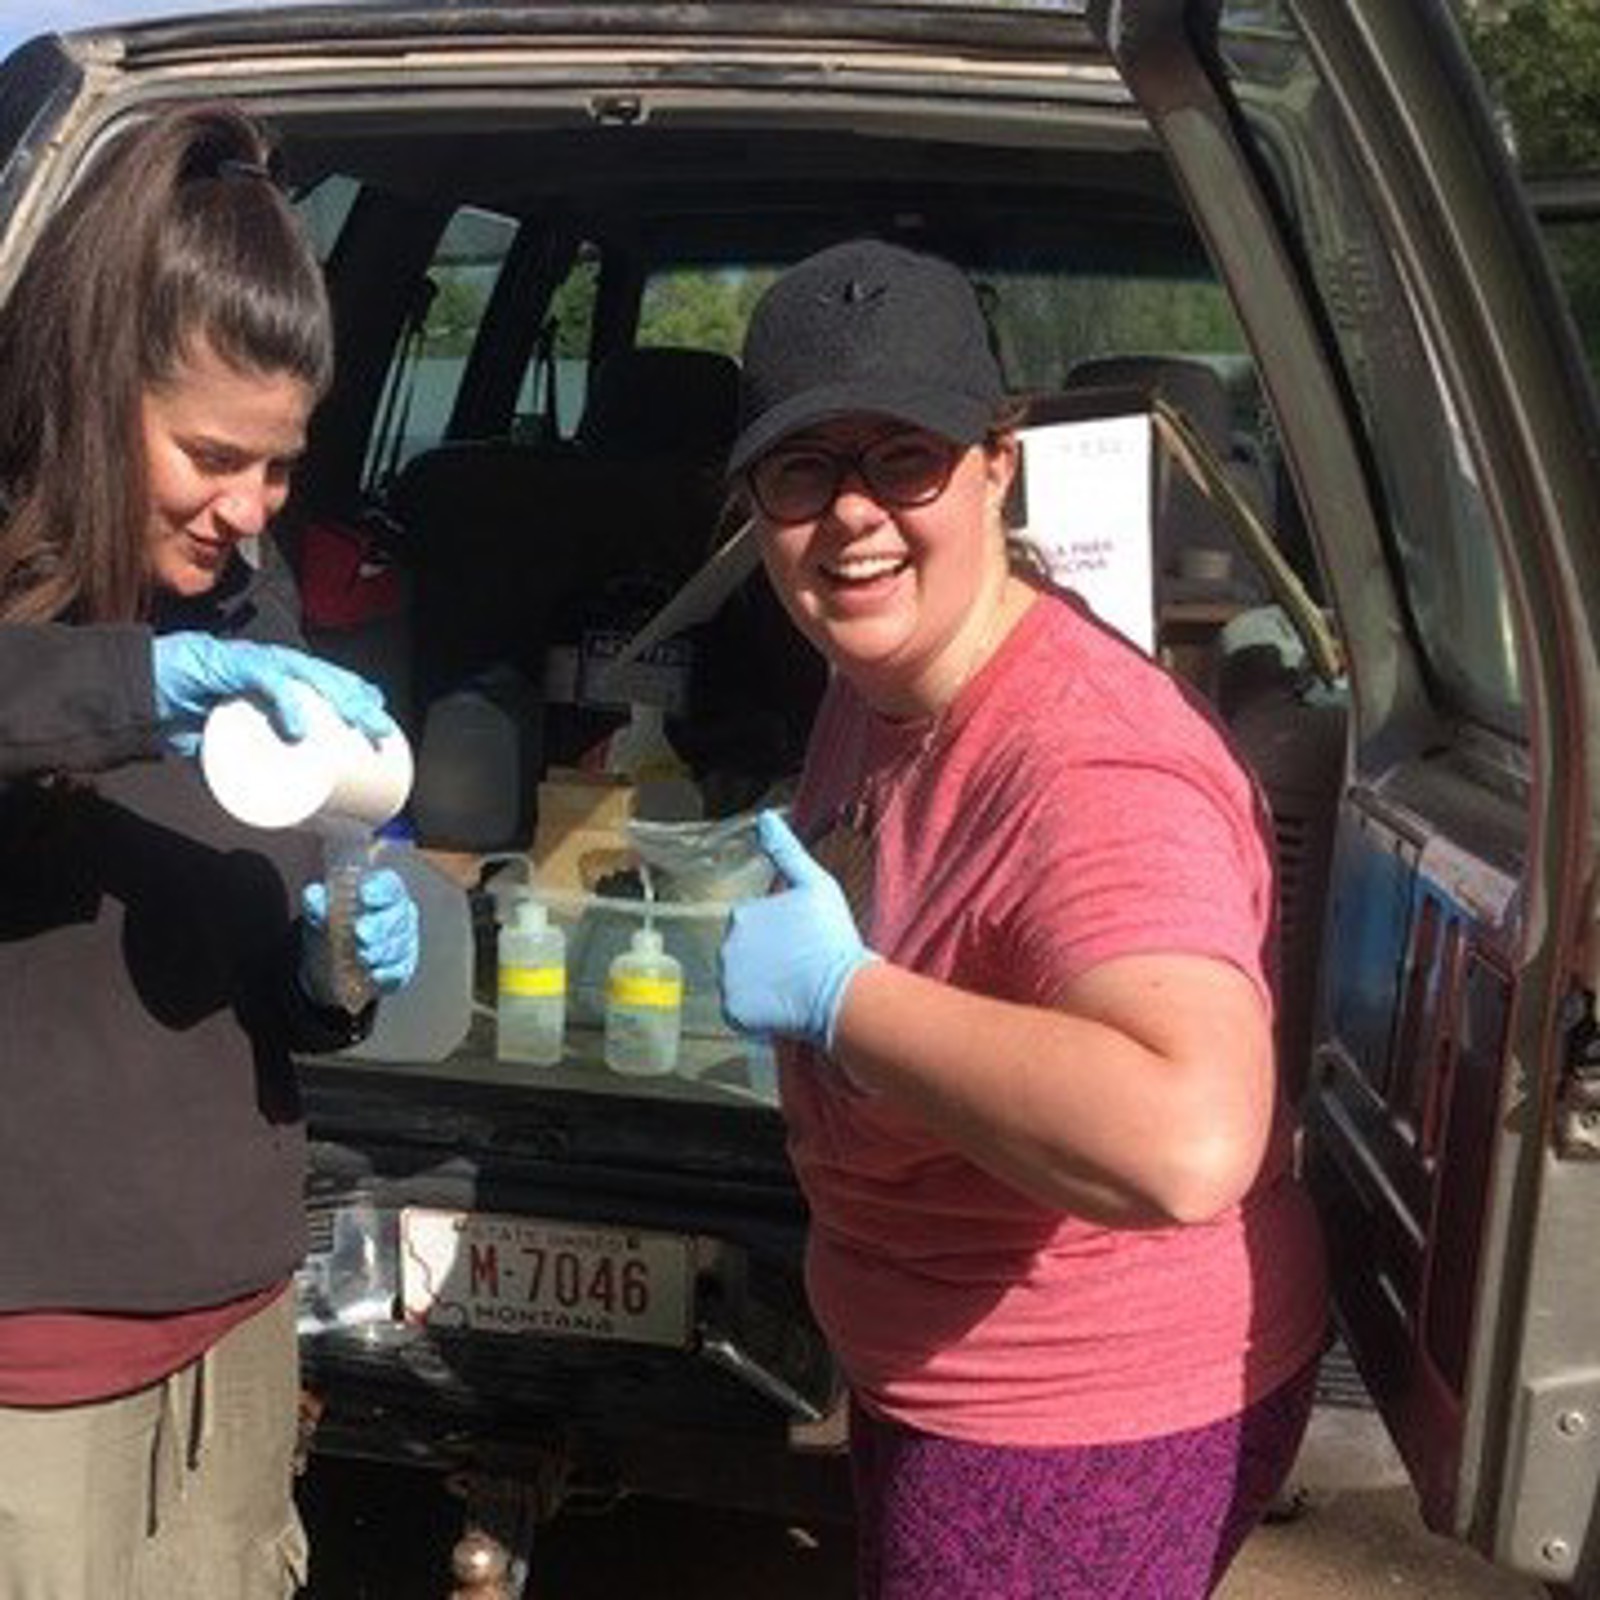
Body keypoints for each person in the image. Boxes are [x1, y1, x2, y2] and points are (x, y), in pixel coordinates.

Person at [719, 239, 1329, 1599]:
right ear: (753, 505)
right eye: (802, 469)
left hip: (1081, 1417)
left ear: (998, 464)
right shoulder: (880, 678)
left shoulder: (1089, 760)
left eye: (906, 459)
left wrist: (847, 1001)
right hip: (946, 1372)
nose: (853, 515)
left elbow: (1185, 1137)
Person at [0, 103, 419, 1597]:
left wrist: (332, 963)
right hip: (41, 1358)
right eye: (211, 454)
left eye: (282, 467)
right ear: (94, 389)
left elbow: (262, 955)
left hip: (235, 1313)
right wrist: (131, 686)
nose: (247, 513)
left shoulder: (244, 594)